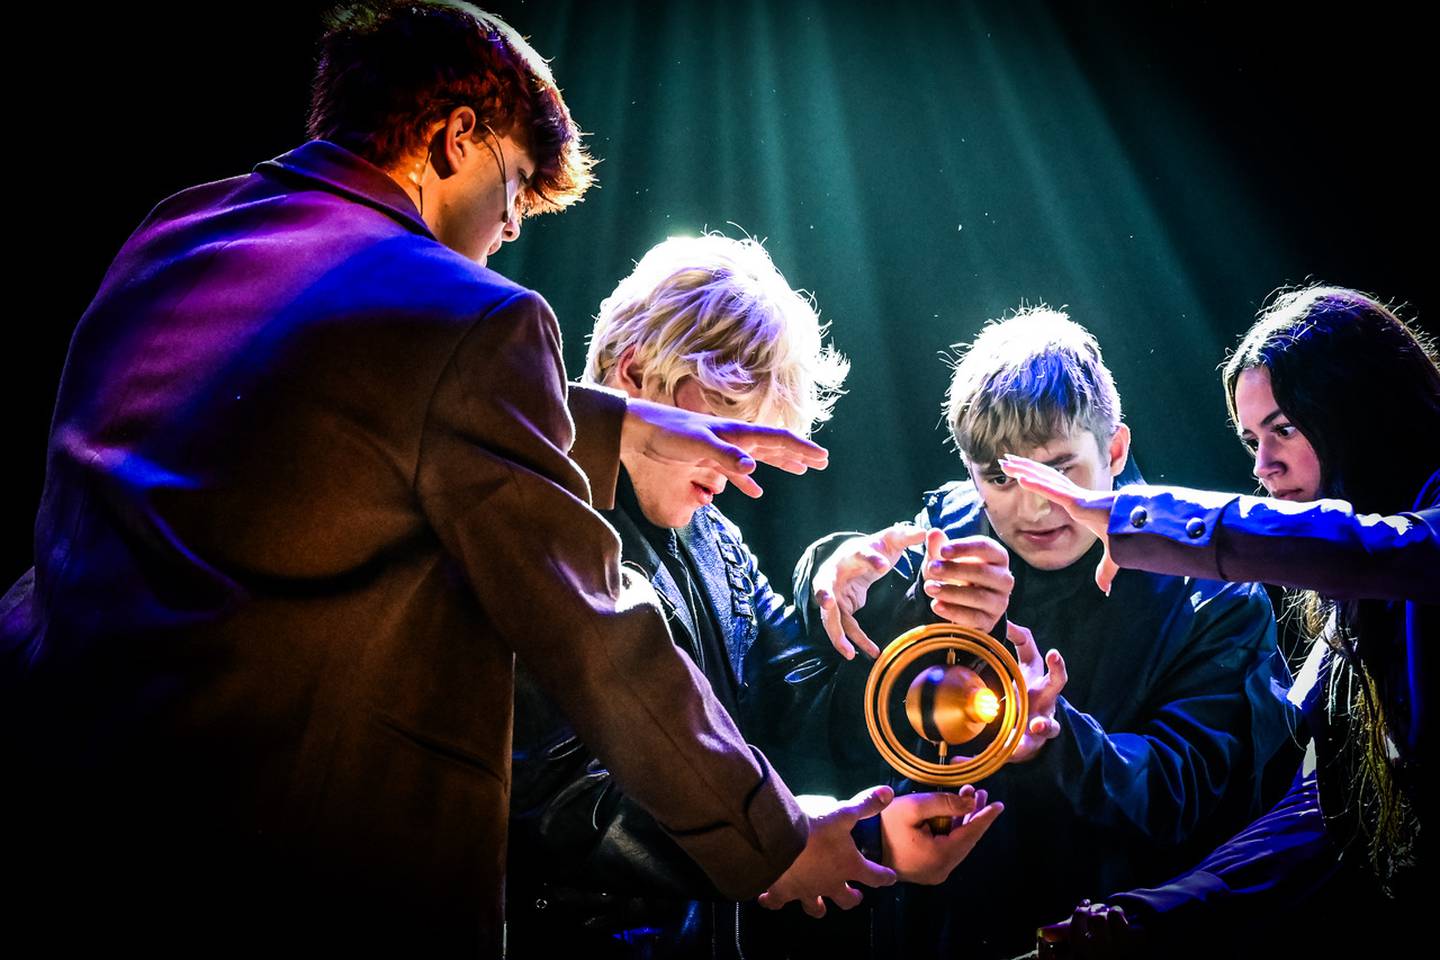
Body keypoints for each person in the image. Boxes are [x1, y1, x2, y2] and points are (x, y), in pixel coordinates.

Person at [0, 4, 863, 953]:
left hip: (74, 802)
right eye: (516, 188)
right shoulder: (476, 317)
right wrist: (773, 843)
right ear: (458, 137)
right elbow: (597, 638)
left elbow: (338, 392)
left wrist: (617, 423)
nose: (510, 230)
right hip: (284, 871)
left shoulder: (180, 227)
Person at [506, 233, 1004, 958]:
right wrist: (802, 845)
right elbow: (559, 804)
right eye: (726, 422)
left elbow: (801, 720)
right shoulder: (540, 520)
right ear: (633, 373)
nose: (740, 467)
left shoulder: (714, 539)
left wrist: (918, 613)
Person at [759, 307, 1293, 958]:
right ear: (970, 470)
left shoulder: (1214, 592)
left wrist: (1055, 737)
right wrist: (832, 568)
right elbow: (829, 673)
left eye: (1060, 470)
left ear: (1115, 450)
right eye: (1000, 478)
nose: (1034, 507)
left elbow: (1194, 800)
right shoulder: (949, 533)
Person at [1003, 286, 1438, 957]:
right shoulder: (1350, 616)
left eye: (1285, 429)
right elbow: (1324, 819)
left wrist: (1132, 520)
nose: (1263, 466)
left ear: (1363, 412)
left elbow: (1370, 550)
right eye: (1251, 439)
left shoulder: (1404, 549)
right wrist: (1137, 922)